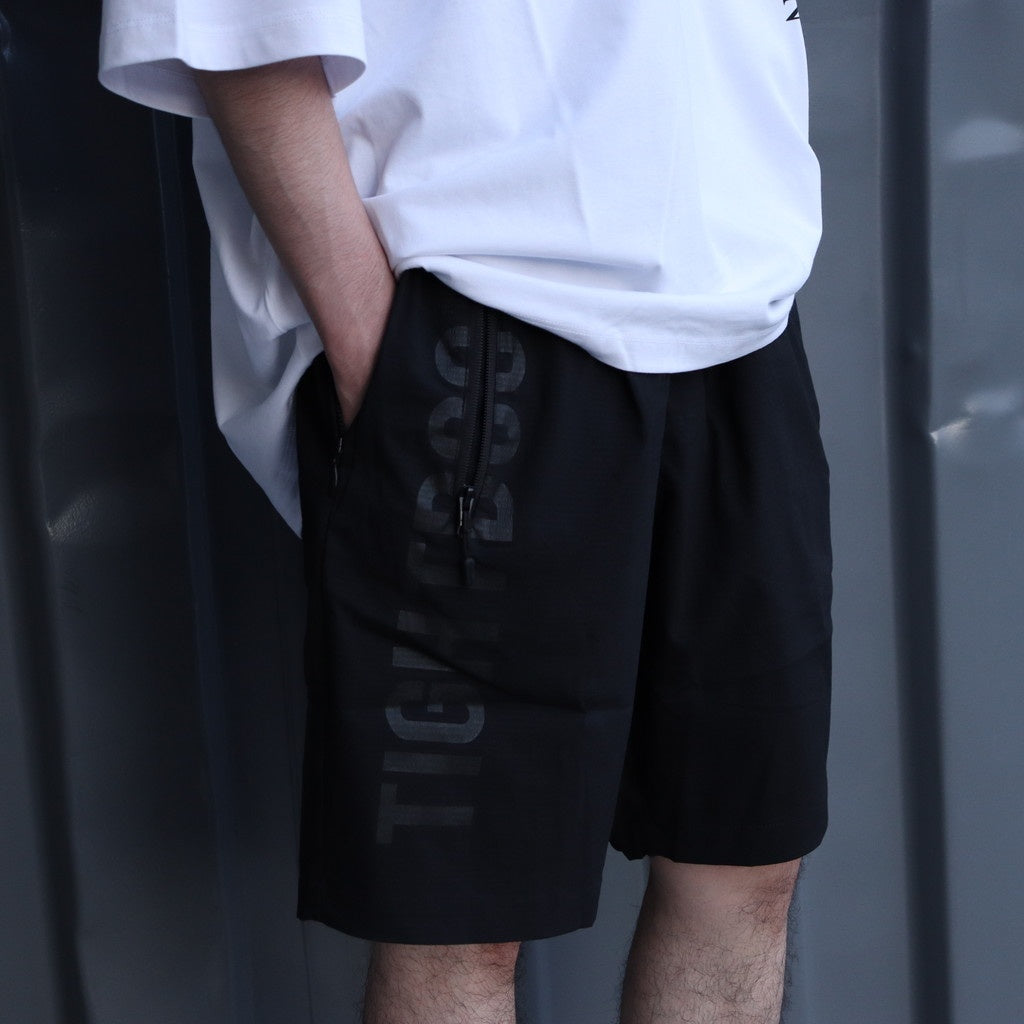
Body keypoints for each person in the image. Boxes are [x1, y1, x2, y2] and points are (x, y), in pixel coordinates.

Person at [100, 2, 832, 1021]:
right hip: (475, 303)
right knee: (460, 928)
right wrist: (375, 349)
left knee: (742, 869)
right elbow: (230, 25)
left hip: (743, 311)